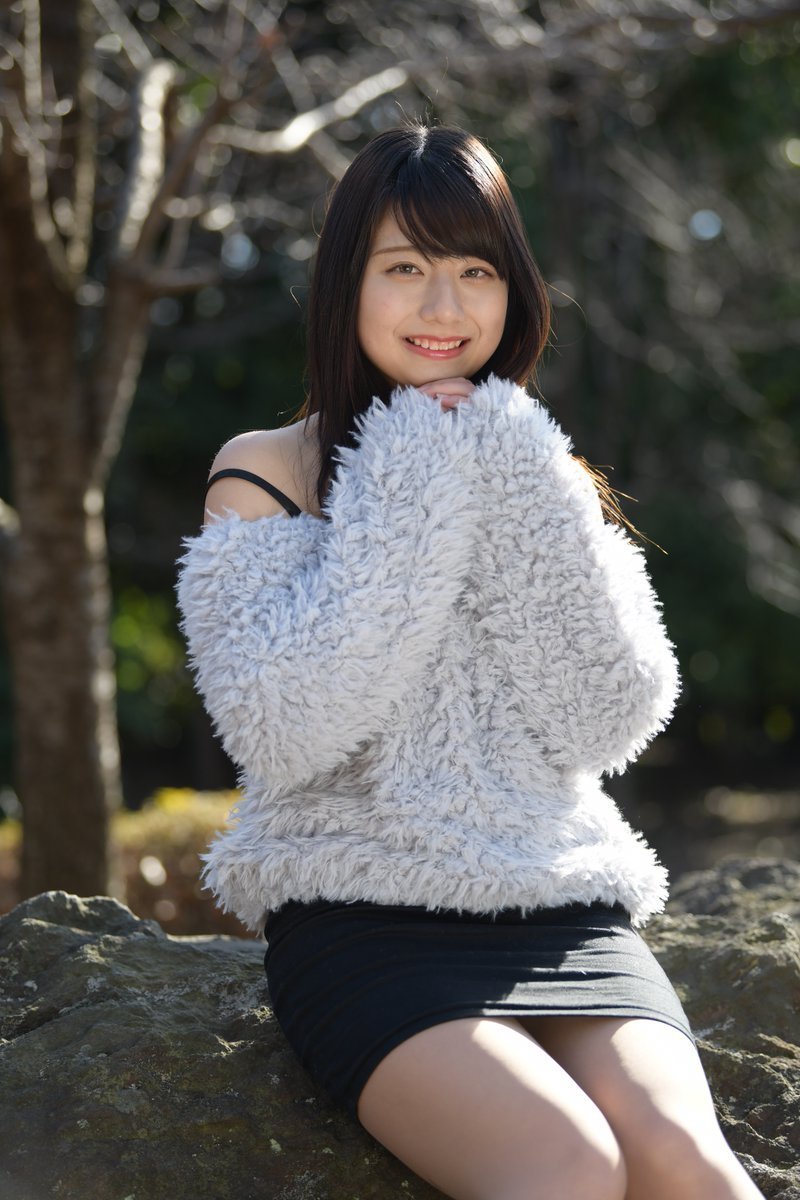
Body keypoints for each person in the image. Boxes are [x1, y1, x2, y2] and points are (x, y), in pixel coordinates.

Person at [176, 122, 764, 1200]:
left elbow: (609, 715)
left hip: (559, 899)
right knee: (568, 1165)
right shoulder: (262, 471)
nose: (444, 307)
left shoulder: (535, 467)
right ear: (347, 284)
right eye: (405, 269)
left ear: (513, 291)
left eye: (475, 272)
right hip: (363, 914)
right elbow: (282, 726)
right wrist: (410, 467)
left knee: (694, 1173)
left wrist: (509, 465)